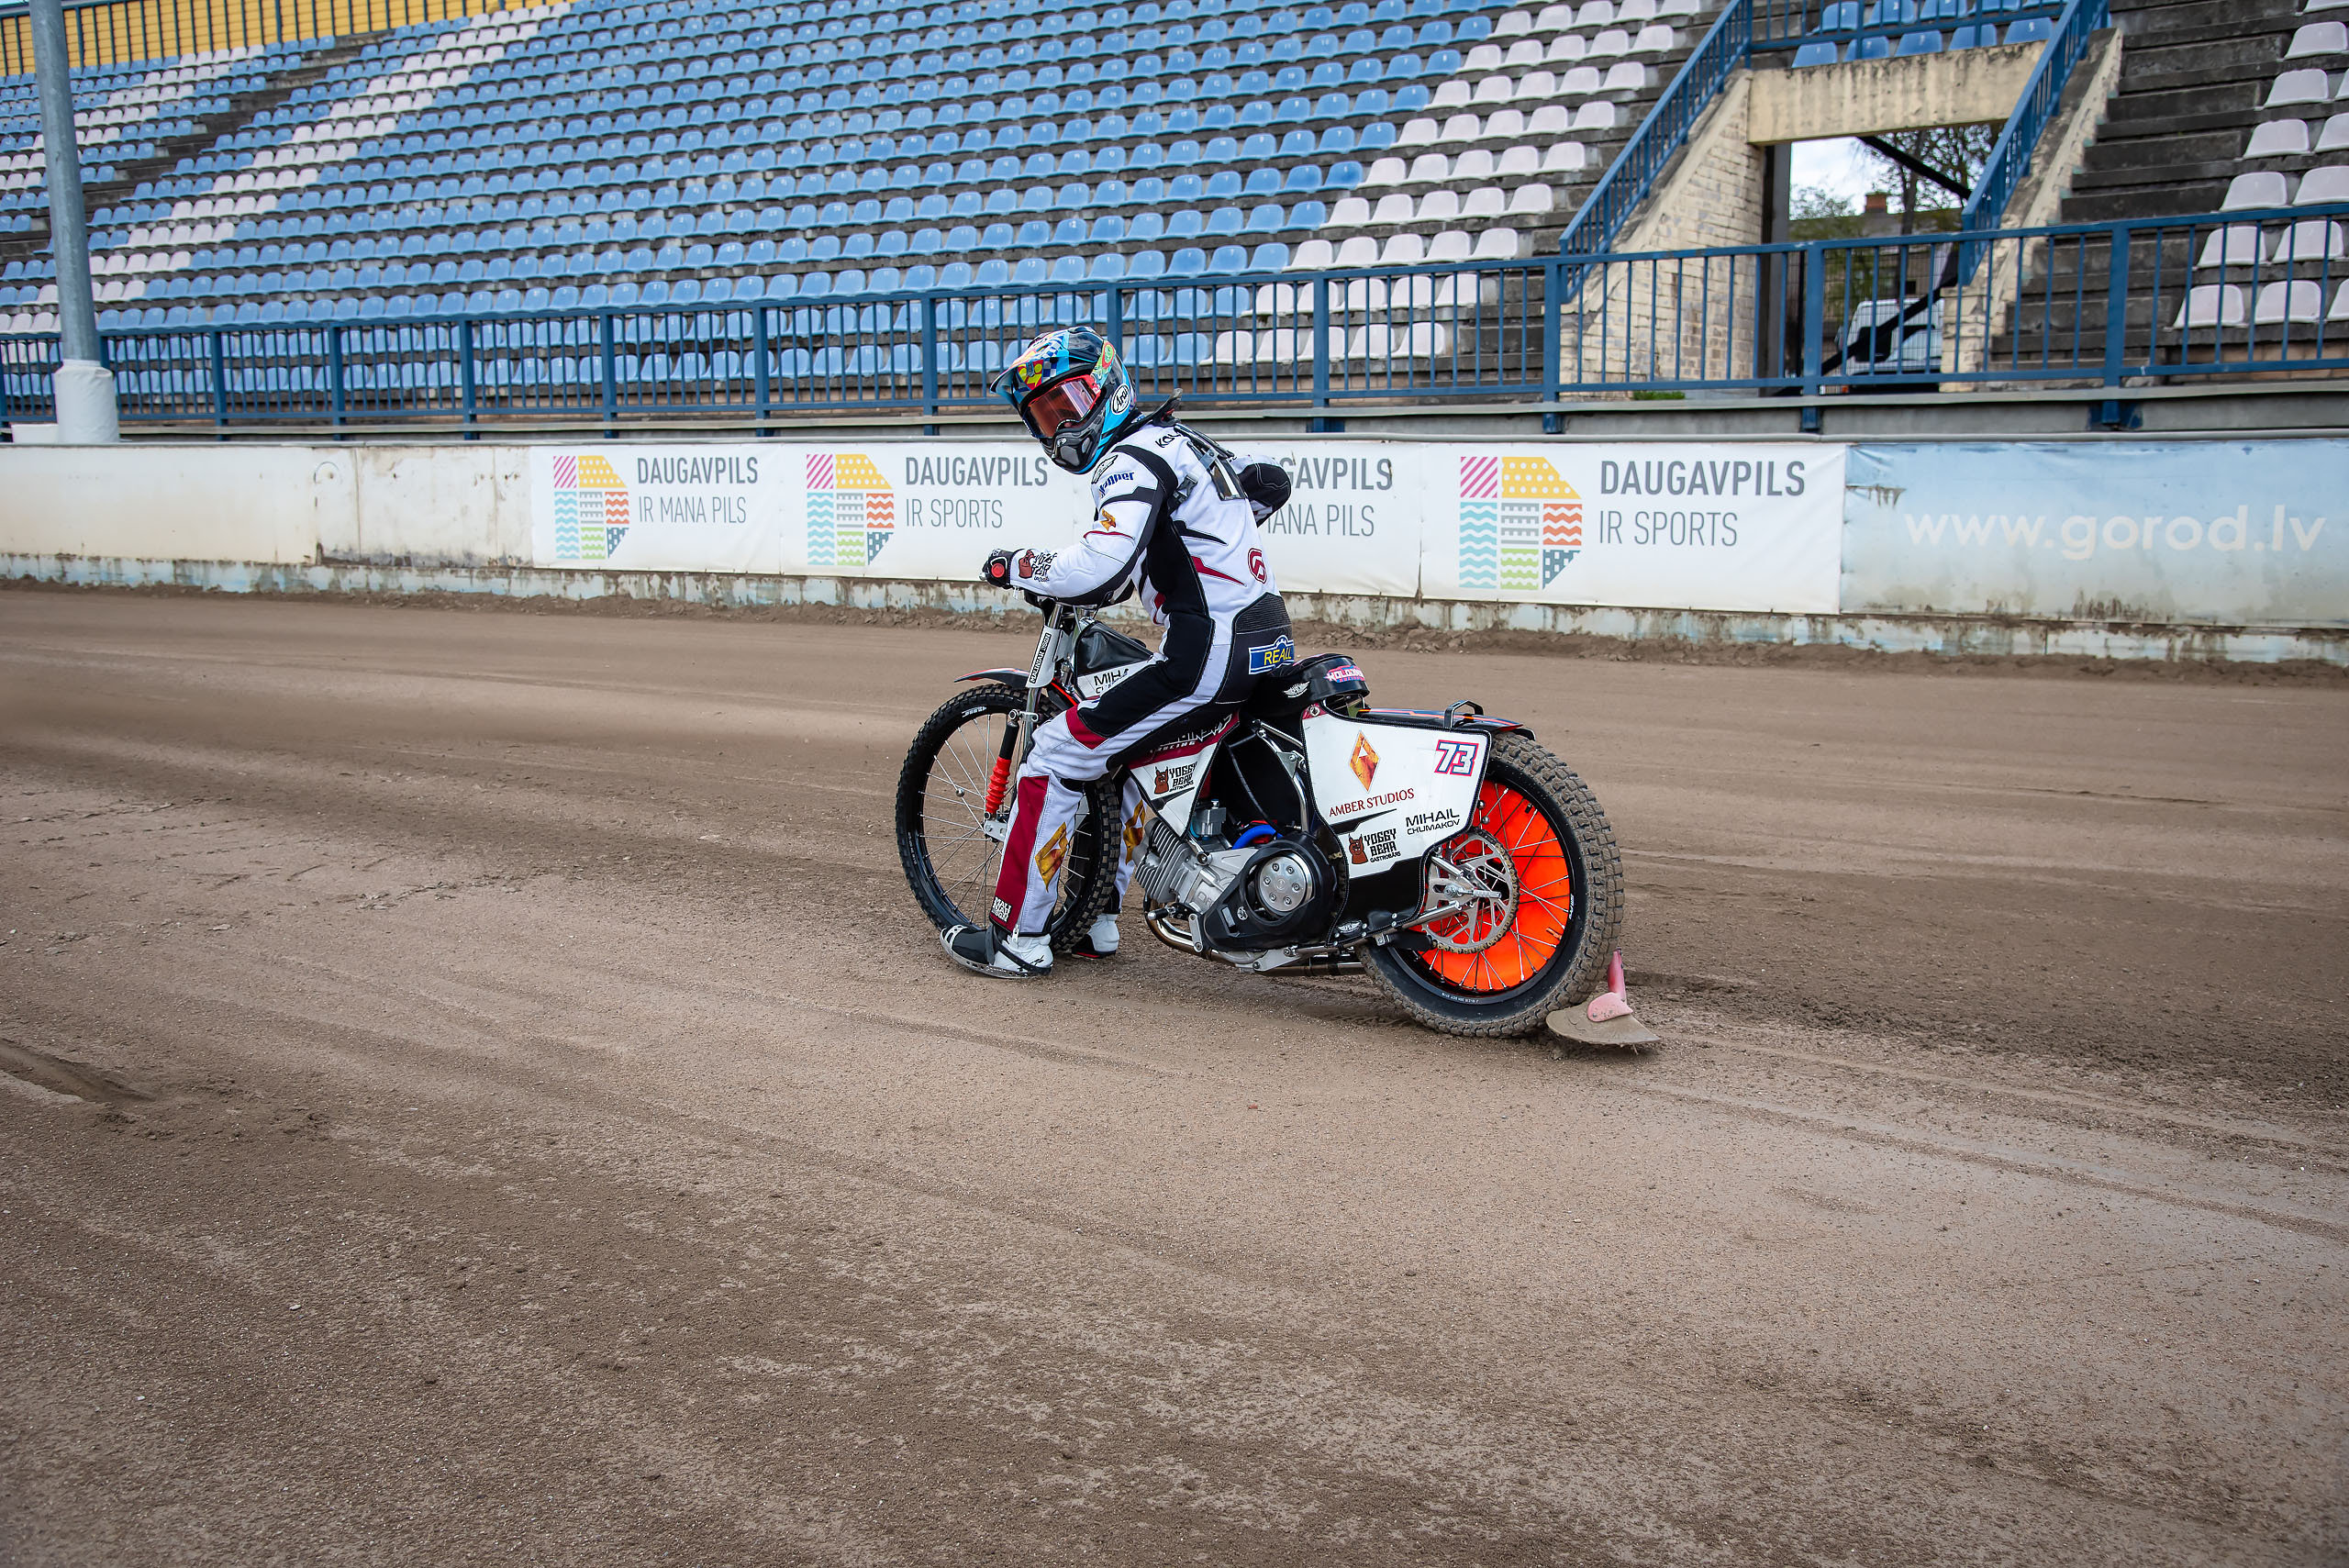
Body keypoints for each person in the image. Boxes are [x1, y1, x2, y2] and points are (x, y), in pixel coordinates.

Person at [941, 326, 1295, 980]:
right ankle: (1096, 919)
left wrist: (1015, 563)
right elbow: (1242, 505)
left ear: (1105, 386)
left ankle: (1016, 937)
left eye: (1068, 404)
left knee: (1055, 751)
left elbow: (1099, 569)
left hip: (1206, 653)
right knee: (1132, 758)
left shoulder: (1133, 456)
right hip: (1263, 638)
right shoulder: (1179, 440)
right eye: (1044, 417)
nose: (1059, 427)